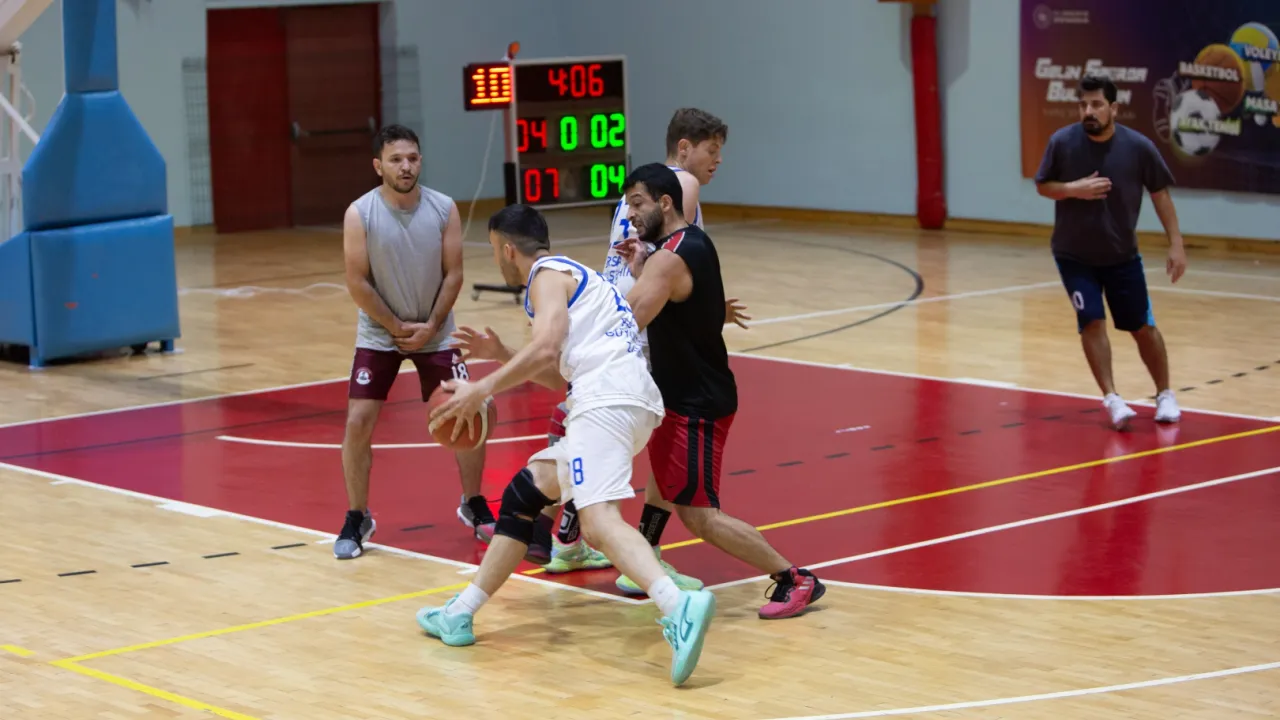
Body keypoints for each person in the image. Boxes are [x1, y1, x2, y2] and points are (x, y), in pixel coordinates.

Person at [416, 204, 716, 687]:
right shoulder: (576, 277)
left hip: (605, 401)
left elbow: (547, 347)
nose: (496, 258)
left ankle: (677, 605)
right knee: (524, 494)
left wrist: (481, 387)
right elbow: (559, 375)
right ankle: (460, 614)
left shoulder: (545, 275)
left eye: (493, 250)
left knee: (597, 523)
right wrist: (502, 354)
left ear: (507, 249)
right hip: (621, 400)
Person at [616, 163, 824, 620]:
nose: (629, 215)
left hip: (697, 403)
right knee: (663, 481)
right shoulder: (690, 243)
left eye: (637, 204)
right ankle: (645, 557)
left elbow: (626, 320)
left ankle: (794, 578)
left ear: (664, 202)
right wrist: (642, 266)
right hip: (680, 393)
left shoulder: (670, 258)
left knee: (699, 516)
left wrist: (570, 308)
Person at [335, 124, 496, 560]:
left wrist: (430, 326)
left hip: (436, 332)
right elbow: (357, 282)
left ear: (420, 161)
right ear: (378, 166)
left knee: (470, 410)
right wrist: (394, 325)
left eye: (412, 158)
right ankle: (357, 515)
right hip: (379, 333)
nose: (405, 166)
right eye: (395, 159)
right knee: (358, 422)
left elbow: (454, 274)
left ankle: (473, 502)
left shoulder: (444, 207)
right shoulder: (360, 213)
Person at [1034, 75, 1187, 430]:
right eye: (1083, 105)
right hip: (1073, 256)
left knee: (1142, 327)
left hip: (1122, 256)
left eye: (1097, 104)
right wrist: (1073, 189)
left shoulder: (1139, 147)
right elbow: (1043, 186)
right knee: (1091, 321)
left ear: (1114, 108)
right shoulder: (1062, 143)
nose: (1089, 111)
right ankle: (1112, 398)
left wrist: (1176, 243)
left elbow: (1160, 194)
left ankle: (1165, 394)